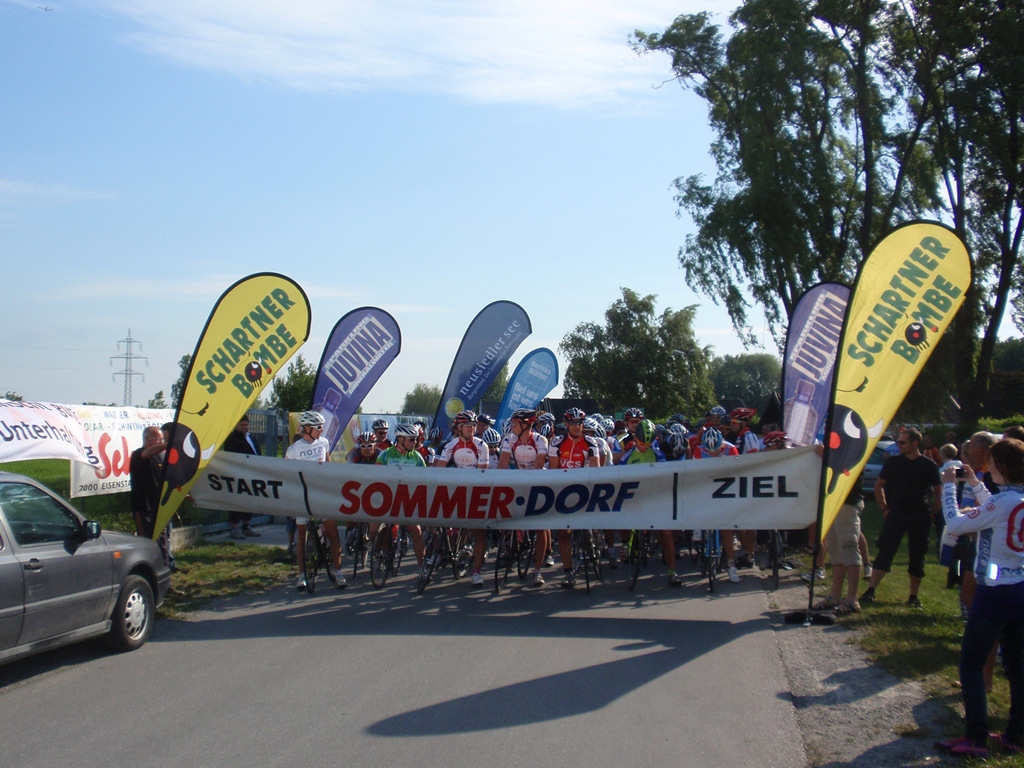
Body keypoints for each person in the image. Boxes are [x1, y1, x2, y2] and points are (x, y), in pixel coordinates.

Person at [935, 438, 1024, 758]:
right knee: (1017, 666)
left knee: (971, 664)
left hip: (994, 590)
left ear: (1002, 466)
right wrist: (975, 484)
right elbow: (997, 510)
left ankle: (976, 738)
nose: (988, 467)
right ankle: (1015, 734)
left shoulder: (1002, 502)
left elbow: (956, 523)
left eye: (991, 463)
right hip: (1019, 585)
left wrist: (949, 487)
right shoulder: (1013, 499)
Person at [860, 428, 941, 608]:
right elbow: (879, 486)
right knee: (885, 551)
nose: (898, 445)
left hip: (920, 515)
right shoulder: (893, 462)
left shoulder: (929, 465)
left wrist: (933, 512)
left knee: (917, 555)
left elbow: (939, 492)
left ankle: (913, 596)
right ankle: (871, 590)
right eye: (898, 441)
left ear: (915, 443)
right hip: (896, 514)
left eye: (902, 442)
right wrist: (884, 509)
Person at [618, 419, 683, 587]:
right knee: (620, 517)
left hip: (654, 497)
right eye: (641, 444)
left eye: (649, 443)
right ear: (635, 439)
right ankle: (626, 544)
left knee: (666, 534)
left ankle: (672, 572)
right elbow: (619, 476)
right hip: (635, 497)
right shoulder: (628, 456)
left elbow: (663, 476)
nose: (645, 447)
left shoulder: (657, 454)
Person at [289, 411, 345, 591]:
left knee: (333, 532)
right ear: (307, 429)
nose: (322, 430)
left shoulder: (324, 442)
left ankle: (338, 572)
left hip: (322, 494)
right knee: (301, 537)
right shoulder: (293, 450)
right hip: (303, 496)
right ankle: (302, 576)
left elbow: (327, 465)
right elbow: (287, 474)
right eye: (318, 427)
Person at [433, 410, 489, 587]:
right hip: (456, 490)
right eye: (467, 425)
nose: (471, 428)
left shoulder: (482, 446)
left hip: (475, 490)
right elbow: (439, 471)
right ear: (459, 427)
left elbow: (482, 474)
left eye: (473, 425)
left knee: (480, 533)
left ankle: (477, 573)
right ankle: (441, 552)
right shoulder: (450, 445)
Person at [548, 407, 601, 588]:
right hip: (563, 492)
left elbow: (596, 470)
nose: (577, 426)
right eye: (573, 423)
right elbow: (553, 471)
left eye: (579, 423)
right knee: (564, 534)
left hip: (584, 489)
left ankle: (594, 533)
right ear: (567, 424)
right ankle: (568, 572)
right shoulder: (557, 443)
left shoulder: (591, 443)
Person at [497, 408, 549, 585]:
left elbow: (539, 466)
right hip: (519, 482)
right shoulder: (509, 440)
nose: (512, 427)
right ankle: (510, 547)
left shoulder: (540, 440)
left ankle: (537, 571)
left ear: (526, 425)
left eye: (514, 424)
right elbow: (502, 465)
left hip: (538, 483)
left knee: (541, 528)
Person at [692, 427, 742, 582]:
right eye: (709, 451)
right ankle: (697, 526)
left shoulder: (731, 449)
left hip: (725, 489)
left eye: (716, 451)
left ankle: (731, 564)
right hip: (706, 487)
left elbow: (739, 472)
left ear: (722, 444)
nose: (713, 454)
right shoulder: (699, 450)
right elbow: (694, 474)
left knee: (726, 528)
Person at [375, 424, 427, 566]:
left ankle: (422, 568)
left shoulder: (416, 456)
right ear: (400, 439)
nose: (415, 442)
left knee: (417, 532)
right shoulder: (386, 454)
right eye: (412, 439)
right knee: (374, 527)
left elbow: (425, 478)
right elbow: (375, 476)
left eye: (416, 439)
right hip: (388, 498)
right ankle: (376, 550)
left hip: (407, 500)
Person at [129, 425, 171, 567]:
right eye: (158, 439)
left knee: (162, 541)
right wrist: (168, 444)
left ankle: (165, 570)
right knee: (148, 542)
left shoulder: (160, 457)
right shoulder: (138, 454)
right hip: (144, 507)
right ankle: (151, 572)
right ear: (147, 438)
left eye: (162, 439)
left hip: (159, 507)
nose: (161, 442)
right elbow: (146, 453)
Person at [222, 415, 262, 539]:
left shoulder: (251, 437)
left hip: (252, 474)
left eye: (246, 424)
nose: (244, 427)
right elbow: (232, 456)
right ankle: (234, 528)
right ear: (236, 425)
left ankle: (246, 526)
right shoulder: (232, 439)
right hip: (238, 475)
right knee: (236, 501)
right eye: (242, 425)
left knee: (249, 500)